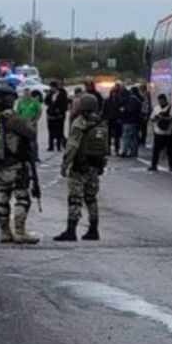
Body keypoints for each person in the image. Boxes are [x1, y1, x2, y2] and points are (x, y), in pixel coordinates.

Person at [0, 84, 39, 244]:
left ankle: (4, 232)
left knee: (3, 197)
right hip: (16, 164)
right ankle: (20, 231)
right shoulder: (13, 119)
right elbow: (31, 133)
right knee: (22, 197)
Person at [55, 94, 107, 242]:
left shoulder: (79, 122)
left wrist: (65, 164)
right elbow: (104, 146)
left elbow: (72, 145)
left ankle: (71, 230)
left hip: (80, 165)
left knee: (75, 198)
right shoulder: (101, 122)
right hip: (95, 165)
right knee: (91, 198)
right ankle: (93, 229)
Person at [148, 93, 172, 172]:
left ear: (165, 100)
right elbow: (152, 118)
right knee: (156, 151)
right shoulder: (156, 108)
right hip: (158, 132)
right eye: (159, 101)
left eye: (162, 101)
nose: (161, 103)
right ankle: (154, 165)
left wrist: (163, 118)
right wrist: (155, 118)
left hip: (168, 133)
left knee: (170, 151)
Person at [45, 80, 70, 151]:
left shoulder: (62, 94)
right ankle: (51, 146)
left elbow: (65, 105)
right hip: (51, 115)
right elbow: (46, 102)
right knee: (51, 131)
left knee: (59, 131)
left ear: (55, 87)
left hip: (59, 116)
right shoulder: (50, 94)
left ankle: (59, 146)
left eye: (52, 87)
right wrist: (48, 94)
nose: (51, 89)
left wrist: (60, 110)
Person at [102, 82, 124, 156]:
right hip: (109, 119)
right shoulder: (107, 101)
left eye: (115, 93)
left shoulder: (120, 100)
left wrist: (120, 117)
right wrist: (104, 118)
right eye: (113, 93)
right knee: (108, 136)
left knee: (117, 136)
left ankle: (116, 149)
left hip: (116, 119)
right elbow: (104, 110)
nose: (114, 94)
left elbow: (121, 110)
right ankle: (108, 150)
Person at [120, 86, 143, 157]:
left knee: (127, 137)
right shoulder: (138, 99)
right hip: (135, 121)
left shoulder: (131, 100)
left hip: (128, 121)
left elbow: (129, 110)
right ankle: (133, 151)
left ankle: (125, 151)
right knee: (133, 137)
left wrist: (123, 110)